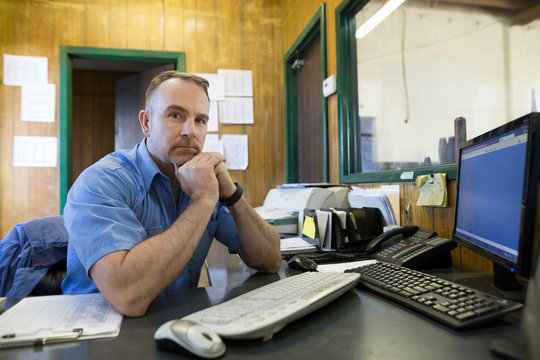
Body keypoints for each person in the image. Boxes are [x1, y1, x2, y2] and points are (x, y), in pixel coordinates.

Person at [61, 71, 281, 316]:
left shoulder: (202, 178)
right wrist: (203, 200)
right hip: (101, 330)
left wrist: (231, 194)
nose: (191, 131)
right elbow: (126, 298)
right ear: (146, 123)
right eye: (175, 115)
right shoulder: (102, 181)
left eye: (200, 120)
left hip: (175, 320)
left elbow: (270, 260)